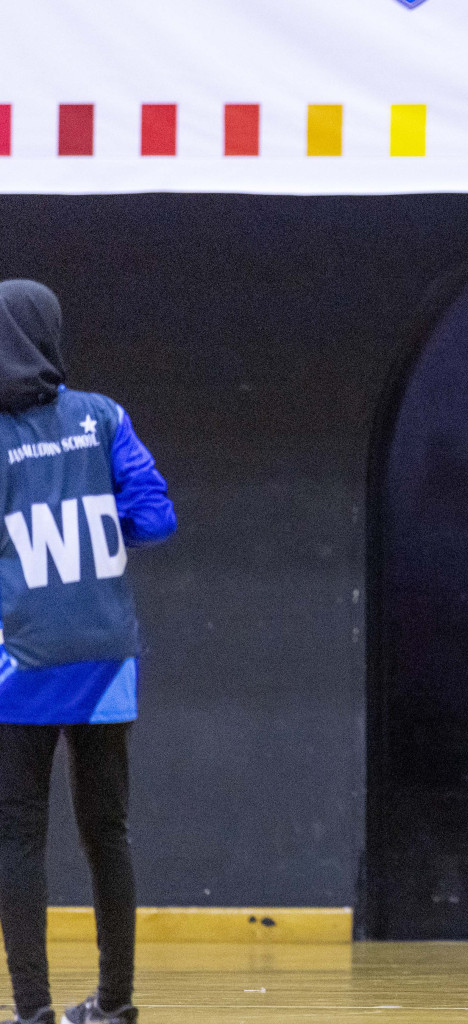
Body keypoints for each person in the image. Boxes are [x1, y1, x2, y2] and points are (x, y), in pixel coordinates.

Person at [0, 281, 177, 1024]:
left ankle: (34, 1010)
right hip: (107, 654)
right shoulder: (103, 417)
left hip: (24, 658)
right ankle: (115, 1003)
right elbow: (157, 518)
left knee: (18, 833)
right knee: (108, 830)